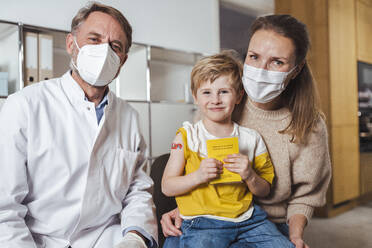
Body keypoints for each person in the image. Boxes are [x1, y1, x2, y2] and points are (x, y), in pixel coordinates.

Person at [160, 14, 332, 248]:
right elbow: (191, 173)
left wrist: (295, 237)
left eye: (277, 62)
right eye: (254, 57)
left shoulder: (310, 125)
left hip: (264, 220)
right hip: (209, 214)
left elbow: (306, 197)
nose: (261, 70)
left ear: (296, 69)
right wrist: (185, 208)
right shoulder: (218, 104)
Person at [0, 2, 157, 248]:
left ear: (122, 61)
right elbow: (4, 208)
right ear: (71, 44)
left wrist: (135, 237)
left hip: (107, 239)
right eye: (94, 39)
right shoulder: (24, 105)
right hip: (37, 241)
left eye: (115, 46)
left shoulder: (129, 117)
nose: (104, 51)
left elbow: (137, 191)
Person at [161, 52, 295, 248]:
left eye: (224, 92)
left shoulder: (251, 138)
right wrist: (198, 176)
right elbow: (167, 186)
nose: (215, 99)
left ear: (239, 96)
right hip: (203, 221)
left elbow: (265, 189)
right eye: (207, 92)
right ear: (195, 97)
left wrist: (249, 174)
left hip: (249, 219)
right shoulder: (186, 136)